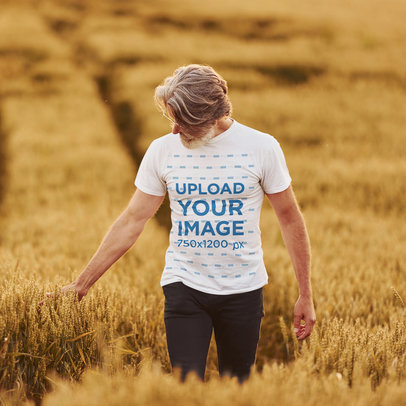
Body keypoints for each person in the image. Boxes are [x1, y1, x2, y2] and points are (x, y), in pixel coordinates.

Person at [40, 64, 316, 384]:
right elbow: (133, 219)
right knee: (185, 388)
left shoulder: (261, 147)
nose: (174, 130)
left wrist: (305, 294)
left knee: (239, 388)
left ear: (212, 114)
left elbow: (289, 218)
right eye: (171, 119)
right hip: (184, 285)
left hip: (244, 289)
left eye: (182, 122)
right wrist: (81, 284)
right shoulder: (162, 151)